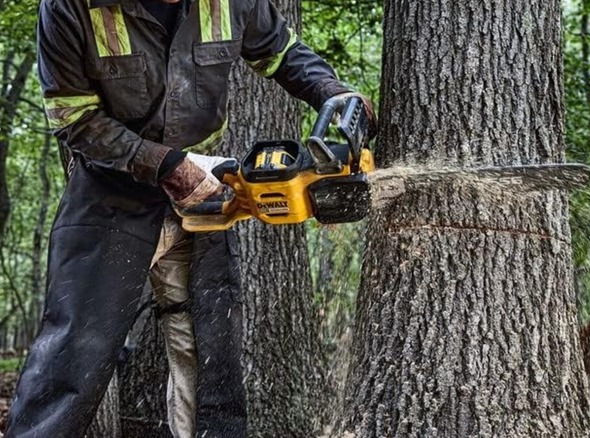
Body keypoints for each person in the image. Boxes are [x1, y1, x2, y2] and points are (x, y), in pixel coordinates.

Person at [4, 0, 376, 435]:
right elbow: (75, 118)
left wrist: (330, 91)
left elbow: (281, 51)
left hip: (206, 187)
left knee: (211, 352)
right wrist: (166, 166)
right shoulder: (71, 7)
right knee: (73, 353)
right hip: (111, 191)